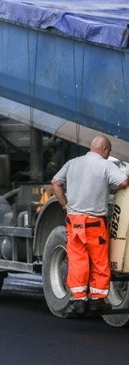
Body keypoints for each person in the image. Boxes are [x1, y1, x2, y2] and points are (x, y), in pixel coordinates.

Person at [51, 135, 129, 317]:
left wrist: (65, 205)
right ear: (105, 150)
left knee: (78, 260)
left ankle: (78, 301)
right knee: (99, 262)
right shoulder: (106, 165)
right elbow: (124, 182)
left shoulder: (72, 163)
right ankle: (96, 301)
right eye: (108, 152)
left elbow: (56, 183)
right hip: (95, 224)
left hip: (74, 222)